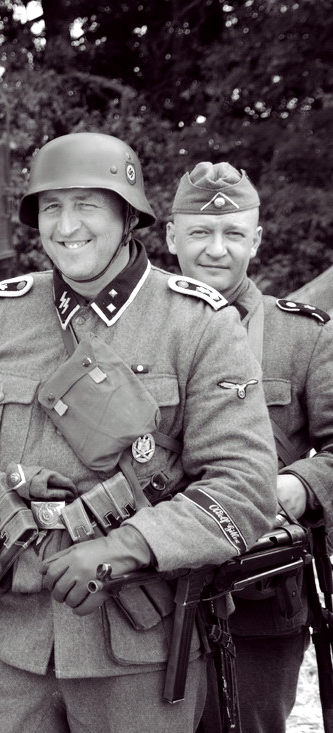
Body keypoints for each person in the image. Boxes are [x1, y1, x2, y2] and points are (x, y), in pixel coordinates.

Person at [0, 131, 278, 731]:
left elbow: (244, 486)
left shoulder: (198, 324)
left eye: (87, 205)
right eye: (51, 207)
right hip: (7, 638)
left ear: (128, 217)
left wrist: (128, 547)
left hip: (137, 648)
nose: (67, 225)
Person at [166, 161, 333, 733]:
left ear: (256, 240)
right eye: (200, 232)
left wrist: (300, 486)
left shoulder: (303, 336)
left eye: (233, 233)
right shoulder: (130, 329)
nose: (216, 249)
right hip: (145, 596)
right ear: (172, 237)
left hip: (258, 596)